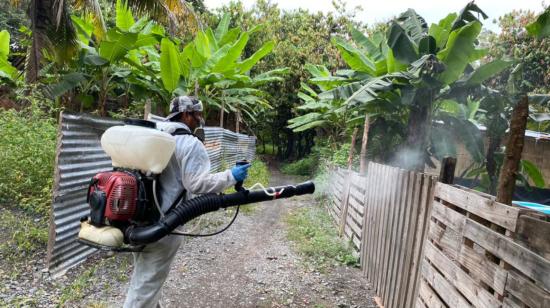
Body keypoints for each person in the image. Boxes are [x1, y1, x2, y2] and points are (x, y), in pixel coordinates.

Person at [123, 96, 251, 308]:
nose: (200, 119)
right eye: (197, 114)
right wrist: (232, 176)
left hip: (140, 218)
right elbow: (197, 185)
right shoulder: (189, 143)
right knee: (145, 285)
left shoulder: (155, 135)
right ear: (185, 114)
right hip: (166, 223)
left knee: (145, 278)